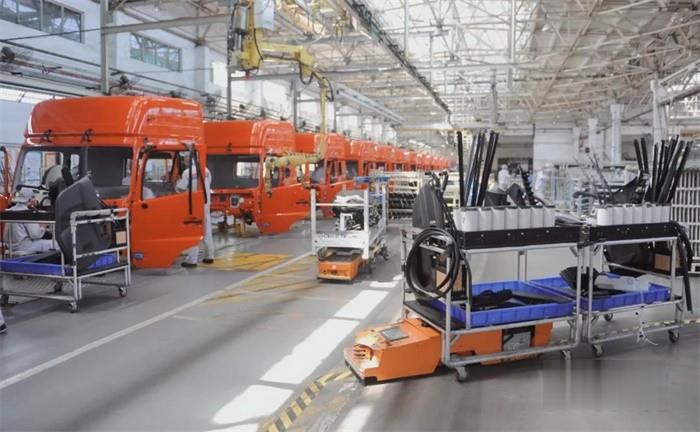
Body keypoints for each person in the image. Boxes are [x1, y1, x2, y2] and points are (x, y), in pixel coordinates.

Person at [176, 155, 214, 268]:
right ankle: (209, 256)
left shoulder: (187, 172)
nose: (184, 160)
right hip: (205, 205)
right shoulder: (206, 170)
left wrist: (176, 182)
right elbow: (208, 184)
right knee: (207, 231)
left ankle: (192, 260)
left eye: (185, 158)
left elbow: (181, 189)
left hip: (193, 206)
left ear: (189, 158)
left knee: (193, 231)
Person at [4, 189, 57, 255]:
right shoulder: (27, 213)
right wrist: (43, 226)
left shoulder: (10, 211)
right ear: (29, 200)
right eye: (33, 197)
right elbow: (36, 235)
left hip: (11, 247)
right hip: (25, 247)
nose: (35, 200)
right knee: (56, 244)